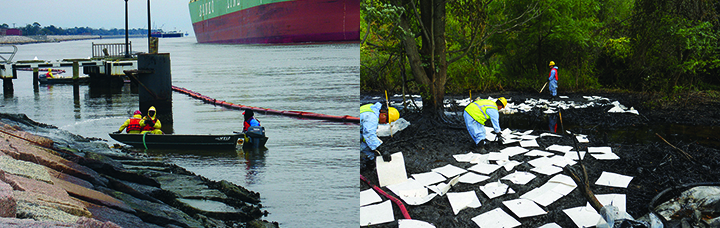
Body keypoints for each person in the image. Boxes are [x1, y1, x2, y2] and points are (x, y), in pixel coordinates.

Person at [360, 102, 399, 171]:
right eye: (386, 121)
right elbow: (369, 135)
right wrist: (381, 148)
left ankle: (370, 161)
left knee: (369, 146)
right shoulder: (372, 117)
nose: (385, 123)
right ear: (384, 115)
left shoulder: (372, 108)